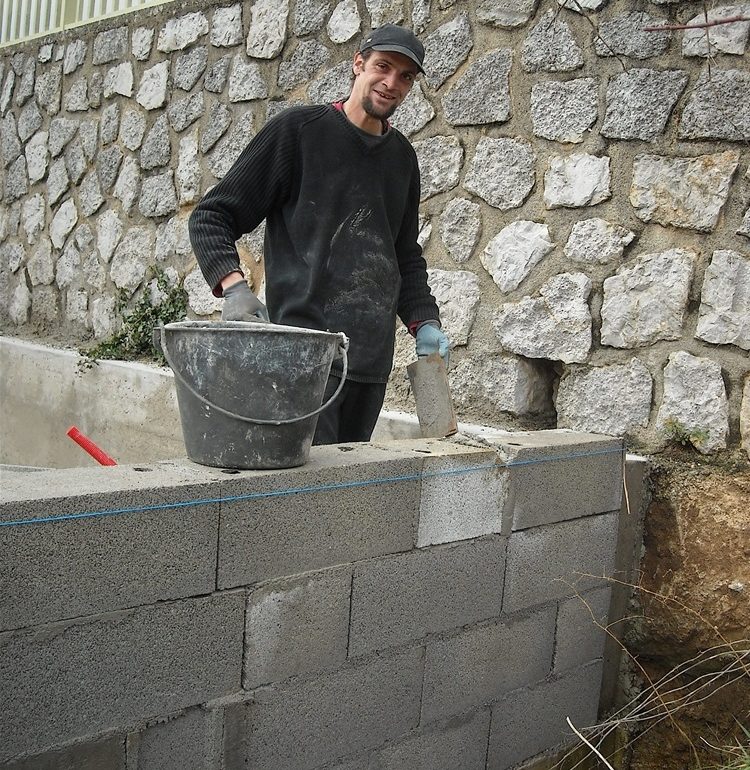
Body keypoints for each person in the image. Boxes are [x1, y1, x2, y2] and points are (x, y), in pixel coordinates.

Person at [189, 24, 450, 445]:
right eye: (383, 67)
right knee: (308, 482)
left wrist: (424, 321)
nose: (392, 83)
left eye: (405, 76)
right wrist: (233, 287)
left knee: (347, 483)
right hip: (303, 358)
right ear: (358, 64)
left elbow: (402, 254)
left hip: (369, 366)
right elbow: (212, 215)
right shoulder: (299, 133)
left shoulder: (402, 159)